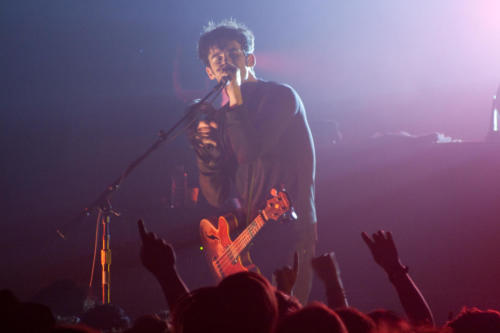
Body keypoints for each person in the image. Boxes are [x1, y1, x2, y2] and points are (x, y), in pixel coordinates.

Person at [189, 19, 317, 303]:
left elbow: (249, 151)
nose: (225, 62)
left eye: (233, 53)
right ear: (209, 71)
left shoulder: (280, 96)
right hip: (249, 234)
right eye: (217, 58)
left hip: (288, 228)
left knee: (290, 316)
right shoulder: (220, 118)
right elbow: (216, 195)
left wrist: (234, 95)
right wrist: (203, 147)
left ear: (250, 59)